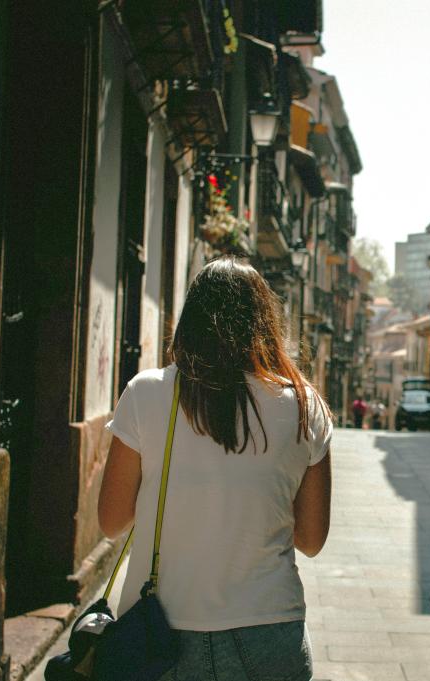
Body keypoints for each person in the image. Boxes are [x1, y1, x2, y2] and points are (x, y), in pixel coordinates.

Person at [98, 256, 332, 680]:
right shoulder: (302, 404)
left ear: (191, 319)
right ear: (266, 323)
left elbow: (112, 520)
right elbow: (312, 540)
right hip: (268, 633)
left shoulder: (147, 393)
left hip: (159, 637)